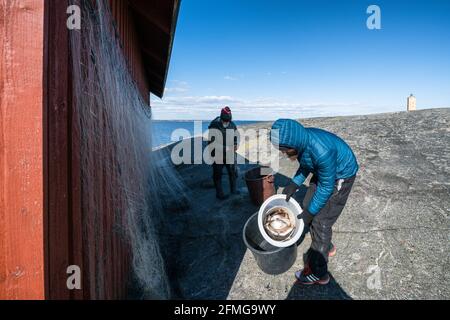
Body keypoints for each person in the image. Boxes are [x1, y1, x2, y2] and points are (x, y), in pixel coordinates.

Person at [270, 119, 358, 285]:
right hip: (326, 171)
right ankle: (327, 245)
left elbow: (326, 186)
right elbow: (306, 164)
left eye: (284, 151)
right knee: (307, 203)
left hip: (341, 175)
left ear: (292, 146)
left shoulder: (321, 151)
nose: (283, 154)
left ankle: (319, 273)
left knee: (321, 222)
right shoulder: (301, 141)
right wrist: (294, 184)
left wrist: (311, 213)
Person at [208, 106, 239, 200]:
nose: (227, 123)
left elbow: (235, 136)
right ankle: (219, 194)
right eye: (225, 121)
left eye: (228, 121)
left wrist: (235, 144)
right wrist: (225, 148)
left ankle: (233, 190)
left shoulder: (232, 125)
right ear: (221, 118)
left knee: (232, 172)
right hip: (217, 154)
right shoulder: (214, 125)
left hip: (229, 154)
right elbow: (211, 143)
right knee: (217, 174)